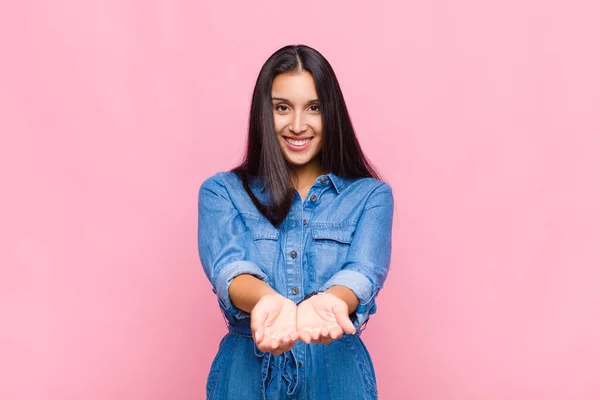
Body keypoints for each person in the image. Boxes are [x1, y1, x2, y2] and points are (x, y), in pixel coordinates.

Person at [198, 44, 394, 399]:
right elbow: (229, 267)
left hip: (337, 380)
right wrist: (268, 302)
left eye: (314, 108)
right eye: (282, 108)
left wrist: (331, 302)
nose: (298, 125)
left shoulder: (370, 196)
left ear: (331, 113)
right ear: (264, 113)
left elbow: (364, 271)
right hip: (244, 380)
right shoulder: (222, 192)